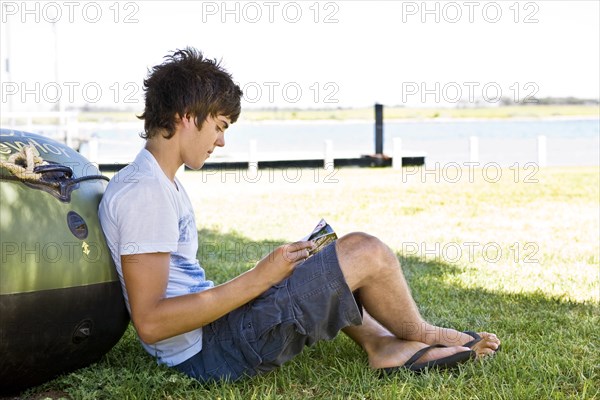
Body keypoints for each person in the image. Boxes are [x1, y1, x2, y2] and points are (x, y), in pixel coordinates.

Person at [98, 47, 501, 383]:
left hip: (211, 337)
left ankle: (384, 345)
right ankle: (419, 333)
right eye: (219, 126)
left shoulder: (157, 182)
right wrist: (260, 278)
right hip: (207, 355)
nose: (221, 141)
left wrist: (265, 276)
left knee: (324, 258)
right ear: (187, 115)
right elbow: (151, 322)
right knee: (366, 251)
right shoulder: (145, 193)